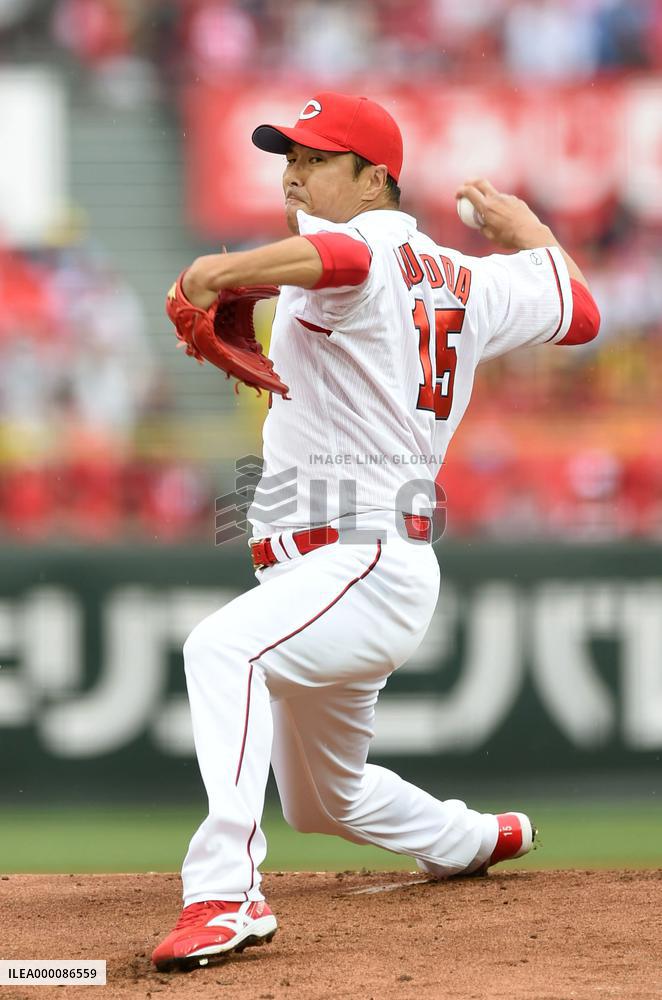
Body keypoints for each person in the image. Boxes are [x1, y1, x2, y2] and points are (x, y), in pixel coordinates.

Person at [152, 91, 600, 971]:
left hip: (361, 557)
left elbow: (344, 255)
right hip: (342, 574)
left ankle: (224, 894)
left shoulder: (370, 248)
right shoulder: (470, 278)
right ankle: (473, 838)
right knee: (325, 800)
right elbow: (580, 313)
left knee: (221, 651)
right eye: (290, 156)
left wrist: (217, 269)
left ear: (376, 178)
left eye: (317, 159)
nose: (294, 172)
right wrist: (530, 233)